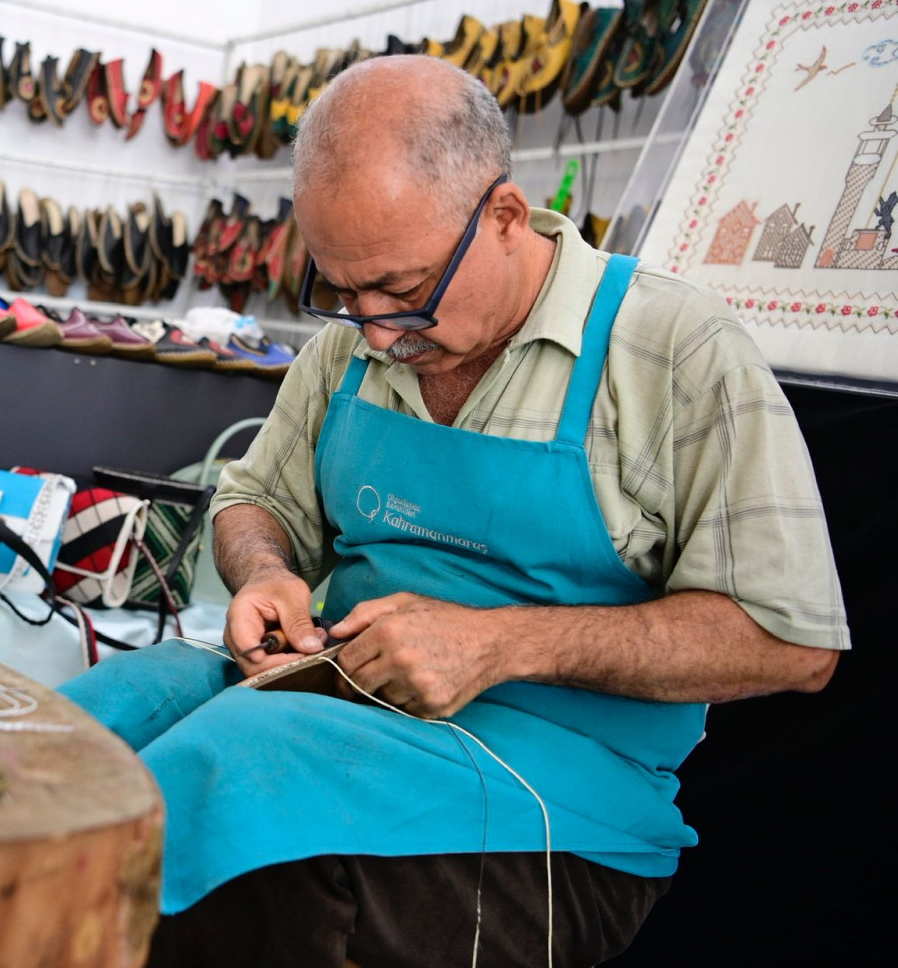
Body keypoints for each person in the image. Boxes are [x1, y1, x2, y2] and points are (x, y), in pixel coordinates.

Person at [60, 55, 848, 968]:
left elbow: (791, 641)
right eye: (342, 293)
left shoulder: (674, 350)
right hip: (341, 704)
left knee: (235, 778)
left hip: (559, 801)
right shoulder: (352, 349)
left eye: (405, 292)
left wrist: (499, 643)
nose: (376, 331)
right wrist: (266, 572)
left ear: (505, 216)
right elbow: (255, 499)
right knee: (106, 713)